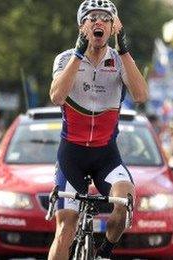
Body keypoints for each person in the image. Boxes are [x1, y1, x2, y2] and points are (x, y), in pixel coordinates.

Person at [48, 0, 148, 259]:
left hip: (106, 155)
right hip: (72, 156)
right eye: (92, 18)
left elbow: (140, 95)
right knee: (65, 230)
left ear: (114, 26)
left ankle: (104, 253)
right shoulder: (65, 58)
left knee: (124, 204)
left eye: (105, 18)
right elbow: (57, 96)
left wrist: (124, 50)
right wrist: (78, 55)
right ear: (83, 26)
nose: (98, 22)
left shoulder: (119, 60)